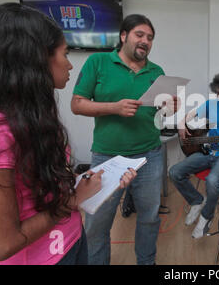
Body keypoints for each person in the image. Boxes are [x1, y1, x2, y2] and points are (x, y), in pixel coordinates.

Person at [0, 3, 136, 265]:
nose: (69, 66)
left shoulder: (34, 117)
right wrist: (74, 199)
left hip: (73, 240)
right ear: (37, 59)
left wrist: (89, 182)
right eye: (64, 54)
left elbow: (41, 186)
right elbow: (2, 244)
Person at [71, 14, 175, 265]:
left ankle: (146, 262)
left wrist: (170, 108)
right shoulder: (98, 62)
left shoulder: (157, 71)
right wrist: (114, 108)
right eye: (140, 35)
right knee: (97, 222)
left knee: (149, 218)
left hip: (149, 156)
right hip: (107, 156)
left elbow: (161, 115)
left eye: (150, 38)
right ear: (123, 36)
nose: (145, 41)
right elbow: (77, 104)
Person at [169, 71, 219, 238]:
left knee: (213, 180)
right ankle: (196, 201)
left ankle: (206, 216)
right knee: (175, 172)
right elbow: (188, 116)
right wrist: (181, 123)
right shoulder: (209, 105)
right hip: (208, 153)